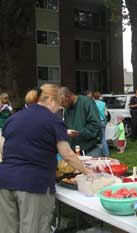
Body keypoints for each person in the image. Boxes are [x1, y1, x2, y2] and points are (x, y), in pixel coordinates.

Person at [0, 84, 92, 233]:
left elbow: (3, 148)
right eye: (58, 104)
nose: (58, 109)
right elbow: (67, 155)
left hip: (4, 181)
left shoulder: (14, 117)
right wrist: (88, 171)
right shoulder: (53, 121)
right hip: (34, 183)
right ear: (50, 100)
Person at [60, 87, 102, 156]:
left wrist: (79, 133)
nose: (61, 105)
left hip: (89, 150)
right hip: (75, 151)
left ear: (68, 96)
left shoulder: (87, 102)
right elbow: (67, 127)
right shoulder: (67, 109)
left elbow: (96, 126)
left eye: (62, 102)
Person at [93, 91, 110, 157]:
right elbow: (106, 114)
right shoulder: (103, 103)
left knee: (94, 138)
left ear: (93, 97)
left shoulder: (92, 103)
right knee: (103, 138)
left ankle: (97, 153)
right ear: (99, 96)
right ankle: (106, 153)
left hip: (95, 122)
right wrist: (105, 121)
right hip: (102, 121)